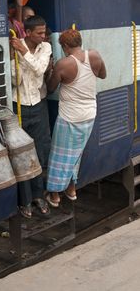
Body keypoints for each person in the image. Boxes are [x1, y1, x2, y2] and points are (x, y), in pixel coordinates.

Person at [45, 29, 106, 207]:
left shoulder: (63, 64)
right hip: (89, 114)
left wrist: (50, 71)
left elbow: (50, 88)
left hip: (69, 117)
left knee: (60, 156)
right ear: (80, 41)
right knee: (76, 154)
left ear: (64, 46)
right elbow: (103, 75)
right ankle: (71, 189)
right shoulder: (94, 55)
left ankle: (55, 195)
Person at [10, 15, 52, 218]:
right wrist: (13, 57)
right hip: (18, 106)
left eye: (44, 32)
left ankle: (38, 195)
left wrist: (23, 52)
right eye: (39, 33)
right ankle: (24, 200)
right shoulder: (14, 50)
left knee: (39, 152)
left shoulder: (45, 48)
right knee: (21, 154)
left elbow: (40, 69)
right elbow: (14, 81)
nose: (43, 36)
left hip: (38, 105)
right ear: (27, 33)